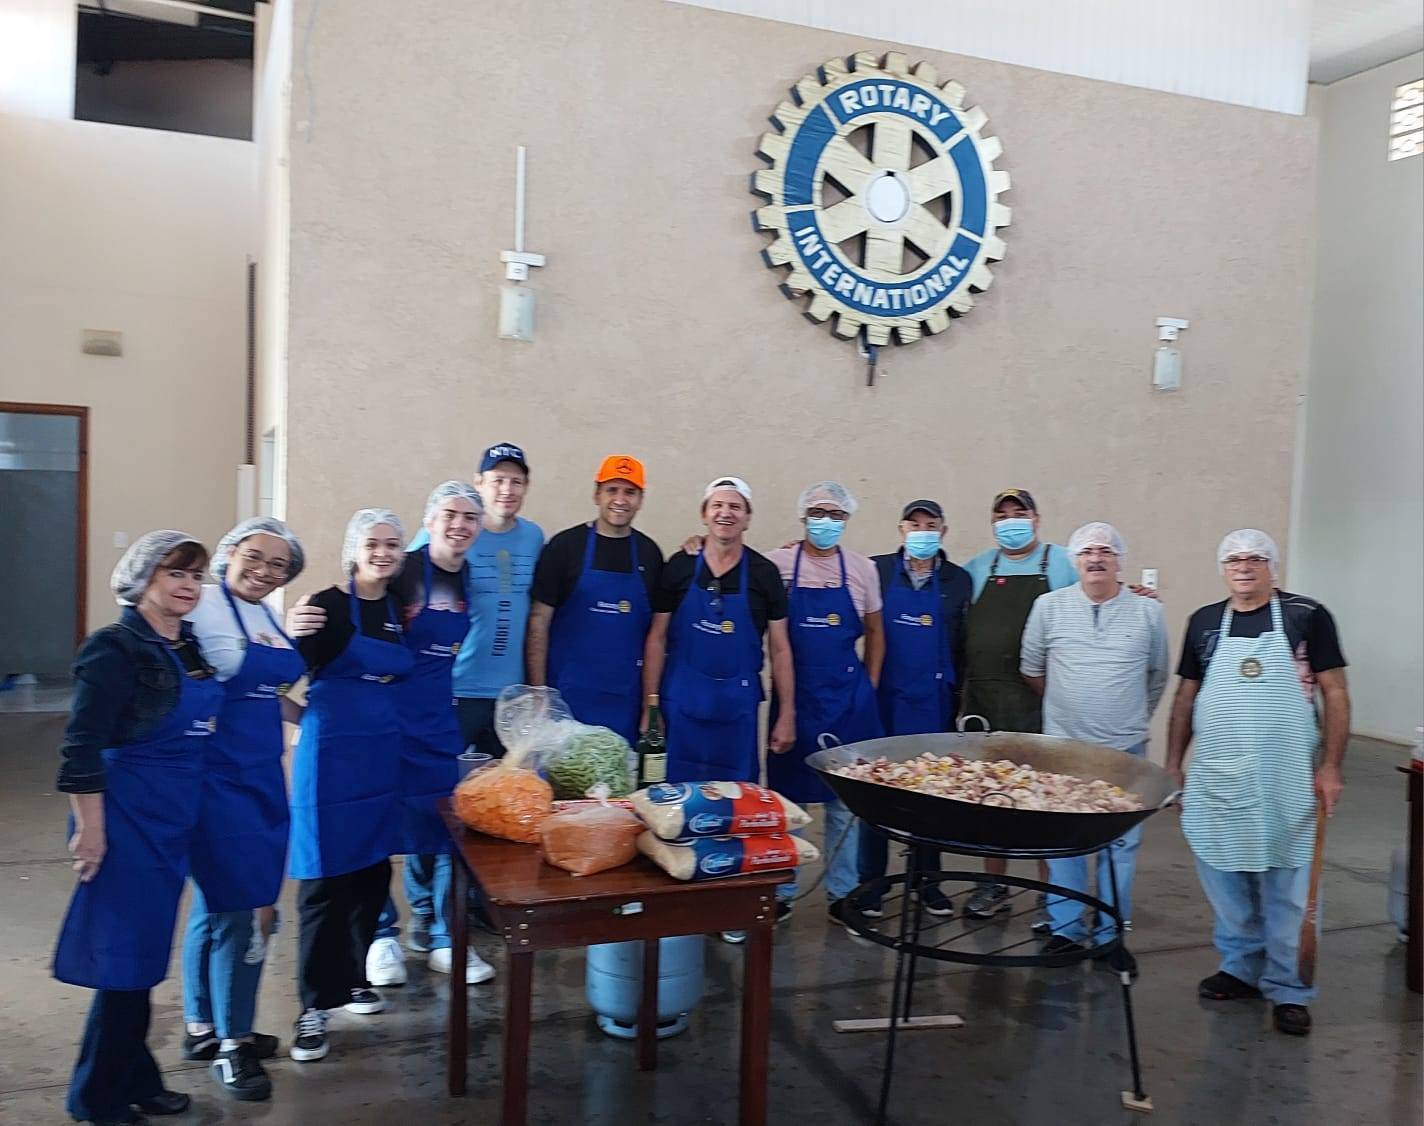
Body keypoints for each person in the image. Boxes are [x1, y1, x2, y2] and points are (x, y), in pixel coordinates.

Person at [54, 531, 222, 1126]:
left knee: (142, 958)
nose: (188, 586)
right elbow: (81, 749)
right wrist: (90, 831)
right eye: (175, 573)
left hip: (172, 819)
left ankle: (136, 1078)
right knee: (125, 962)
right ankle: (95, 1097)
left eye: (196, 576)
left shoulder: (190, 645)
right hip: (125, 821)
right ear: (143, 578)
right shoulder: (114, 648)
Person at [1165, 529, 1349, 1037]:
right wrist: (1174, 764)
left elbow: (1335, 693)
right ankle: (1240, 969)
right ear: (1222, 568)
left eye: (1254, 559)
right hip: (1219, 772)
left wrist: (1331, 767)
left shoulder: (1307, 616)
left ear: (1272, 566)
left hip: (1286, 774)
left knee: (1289, 882)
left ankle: (1289, 988)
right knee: (1224, 874)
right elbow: (1185, 697)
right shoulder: (1204, 622)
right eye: (1233, 560)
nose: (1243, 567)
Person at [180, 518, 306, 1102]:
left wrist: (306, 718)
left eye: (278, 565)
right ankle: (234, 1046)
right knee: (242, 909)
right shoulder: (201, 606)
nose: (265, 571)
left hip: (262, 776)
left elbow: (267, 691)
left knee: (216, 905)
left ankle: (201, 1026)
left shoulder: (266, 616)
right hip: (216, 778)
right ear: (229, 552)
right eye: (255, 556)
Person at [286, 510, 414, 1063]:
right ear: (353, 550)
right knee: (322, 879)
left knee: (370, 872)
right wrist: (301, 719)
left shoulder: (400, 606)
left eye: (392, 544)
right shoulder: (325, 605)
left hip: (380, 754)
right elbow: (276, 675)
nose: (382, 553)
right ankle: (313, 1008)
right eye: (372, 544)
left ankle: (355, 979)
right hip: (331, 756)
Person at [1020, 522, 1170, 975]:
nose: (1096, 558)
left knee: (1119, 845)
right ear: (1074, 560)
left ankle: (1110, 936)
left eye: (1105, 550)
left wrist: (1126, 717)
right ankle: (1065, 931)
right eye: (1087, 551)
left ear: (1119, 559)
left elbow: (1157, 674)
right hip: (1063, 750)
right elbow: (1031, 668)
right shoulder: (1048, 607)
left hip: (1125, 749)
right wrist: (1070, 710)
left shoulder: (1147, 612)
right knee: (1063, 840)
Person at [375, 482, 494, 984]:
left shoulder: (465, 577)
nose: (460, 525)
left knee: (446, 831)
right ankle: (381, 937)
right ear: (429, 520)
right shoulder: (401, 571)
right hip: (387, 719)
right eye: (450, 514)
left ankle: (448, 938)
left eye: (470, 517)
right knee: (380, 828)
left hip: (439, 719)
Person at [763, 482, 885, 934]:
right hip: (795, 700)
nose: (826, 521)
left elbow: (876, 631)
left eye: (835, 514)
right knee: (789, 803)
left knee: (845, 804)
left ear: (847, 520)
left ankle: (842, 896)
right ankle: (782, 892)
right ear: (803, 516)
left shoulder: (863, 569)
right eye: (818, 512)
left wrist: (868, 687)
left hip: (848, 701)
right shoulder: (777, 565)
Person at [959, 489, 1076, 918]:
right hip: (986, 704)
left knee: (1046, 801)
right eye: (1002, 515)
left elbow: (1098, 596)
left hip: (1042, 702)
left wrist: (1138, 593)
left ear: (1036, 518)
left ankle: (1052, 895)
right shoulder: (978, 568)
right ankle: (993, 887)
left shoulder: (1063, 562)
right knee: (991, 800)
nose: (1011, 521)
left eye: (1019, 513)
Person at [857, 500, 972, 921]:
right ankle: (871, 884)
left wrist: (960, 699)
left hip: (933, 703)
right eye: (914, 524)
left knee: (931, 795)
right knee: (875, 792)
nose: (922, 531)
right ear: (901, 529)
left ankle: (928, 883)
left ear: (944, 530)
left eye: (931, 524)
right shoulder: (875, 569)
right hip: (884, 701)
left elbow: (964, 644)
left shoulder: (959, 580)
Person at [642, 475, 794, 782]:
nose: (726, 513)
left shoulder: (764, 574)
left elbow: (780, 649)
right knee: (672, 801)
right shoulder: (680, 566)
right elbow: (656, 639)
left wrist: (787, 713)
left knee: (736, 801)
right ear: (704, 514)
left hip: (737, 712)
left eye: (736, 507)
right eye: (717, 505)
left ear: (747, 518)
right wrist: (651, 707)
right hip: (680, 707)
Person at [411, 443, 544, 757]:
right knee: (440, 774)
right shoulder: (446, 533)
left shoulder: (534, 537)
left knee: (503, 783)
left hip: (512, 694)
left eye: (516, 482)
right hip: (456, 688)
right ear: (479, 483)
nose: (507, 490)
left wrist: (536, 687)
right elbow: (390, 581)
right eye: (498, 480)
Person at [527, 455, 662, 744]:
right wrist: (539, 693)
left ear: (640, 499)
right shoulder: (565, 547)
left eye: (630, 492)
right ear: (596, 494)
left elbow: (657, 636)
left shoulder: (650, 554)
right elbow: (538, 622)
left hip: (625, 702)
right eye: (612, 490)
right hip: (566, 701)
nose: (620, 500)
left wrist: (650, 705)